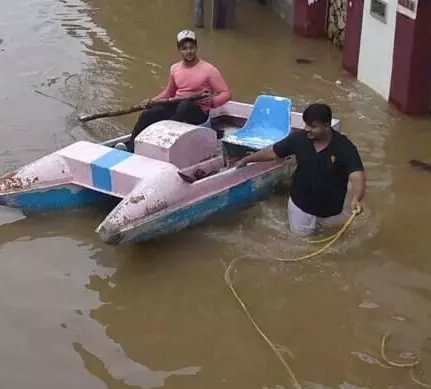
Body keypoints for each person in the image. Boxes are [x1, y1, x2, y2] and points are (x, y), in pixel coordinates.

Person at [236, 102, 366, 236]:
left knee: (332, 242)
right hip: (301, 207)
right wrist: (246, 159)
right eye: (306, 124)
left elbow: (356, 174)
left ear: (327, 125)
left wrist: (357, 198)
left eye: (313, 126)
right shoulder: (298, 139)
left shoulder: (344, 147)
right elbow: (273, 152)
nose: (307, 129)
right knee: (301, 244)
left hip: (332, 211)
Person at [121, 30, 232, 152]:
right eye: (184, 48)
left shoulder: (209, 70)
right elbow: (168, 93)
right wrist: (151, 101)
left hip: (198, 113)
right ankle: (130, 148)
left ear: (196, 47)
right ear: (179, 50)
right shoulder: (175, 68)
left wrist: (213, 101)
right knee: (148, 114)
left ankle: (162, 142)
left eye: (191, 47)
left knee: (184, 106)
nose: (189, 51)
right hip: (177, 106)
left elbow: (226, 93)